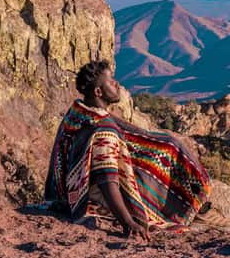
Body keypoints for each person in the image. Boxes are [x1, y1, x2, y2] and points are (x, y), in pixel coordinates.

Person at [45, 59, 212, 238]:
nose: (117, 84)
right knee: (147, 172)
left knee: (165, 144)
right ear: (98, 91)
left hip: (66, 193)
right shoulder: (103, 130)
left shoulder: (78, 113)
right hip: (89, 198)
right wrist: (128, 222)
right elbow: (107, 180)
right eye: (111, 81)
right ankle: (181, 207)